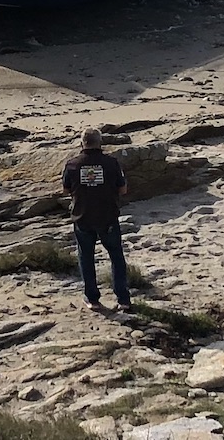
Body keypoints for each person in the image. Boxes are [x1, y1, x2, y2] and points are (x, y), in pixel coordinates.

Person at [62, 126, 132, 312]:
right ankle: (123, 298)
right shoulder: (111, 163)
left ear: (82, 143)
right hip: (107, 216)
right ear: (100, 142)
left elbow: (66, 189)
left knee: (86, 257)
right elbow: (122, 189)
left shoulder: (72, 164)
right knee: (116, 256)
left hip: (82, 216)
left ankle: (92, 299)